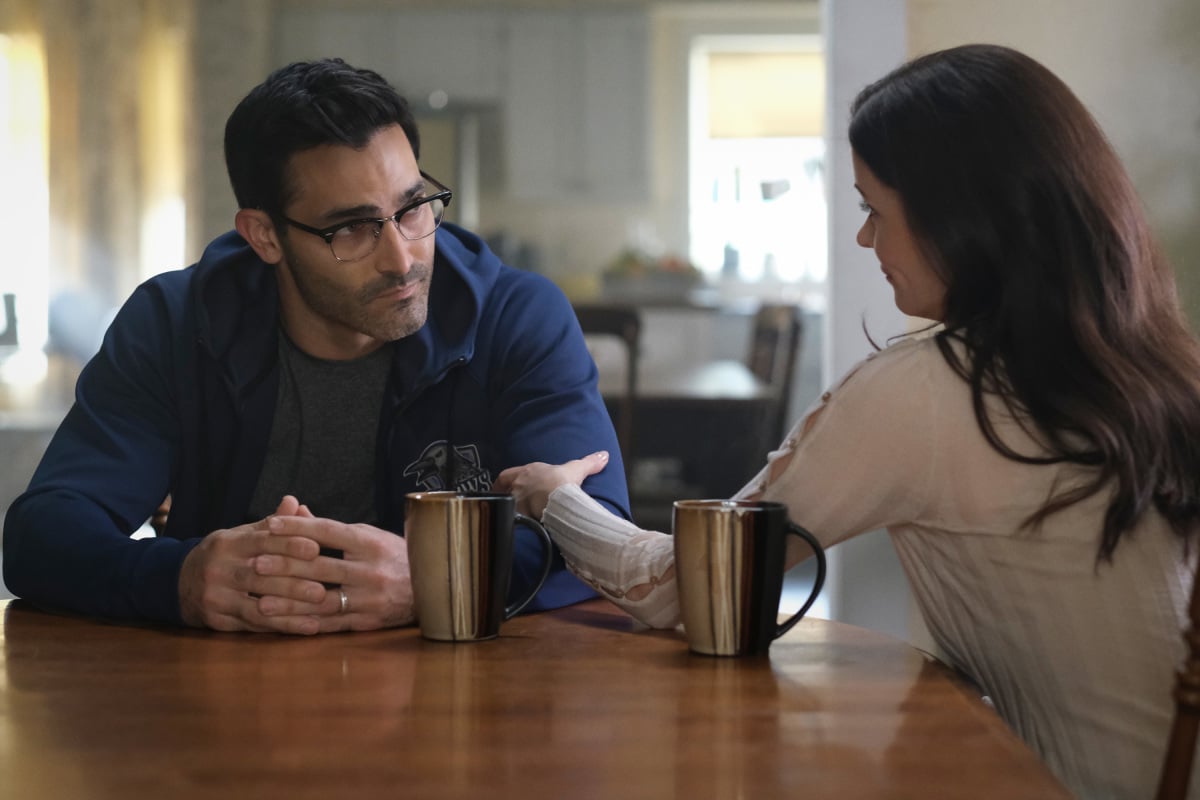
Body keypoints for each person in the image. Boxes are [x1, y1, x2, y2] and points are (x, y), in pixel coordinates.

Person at [494, 44, 1200, 799]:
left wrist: (554, 498)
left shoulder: (932, 391)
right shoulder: (1152, 366)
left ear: (960, 218)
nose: (866, 240)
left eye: (875, 210)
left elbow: (691, 593)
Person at [2, 58, 627, 634]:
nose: (402, 257)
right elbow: (41, 537)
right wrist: (179, 579)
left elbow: (603, 537)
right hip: (221, 706)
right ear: (264, 236)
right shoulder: (175, 323)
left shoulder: (515, 316)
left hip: (460, 703)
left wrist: (440, 579)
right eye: (352, 228)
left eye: (412, 208)